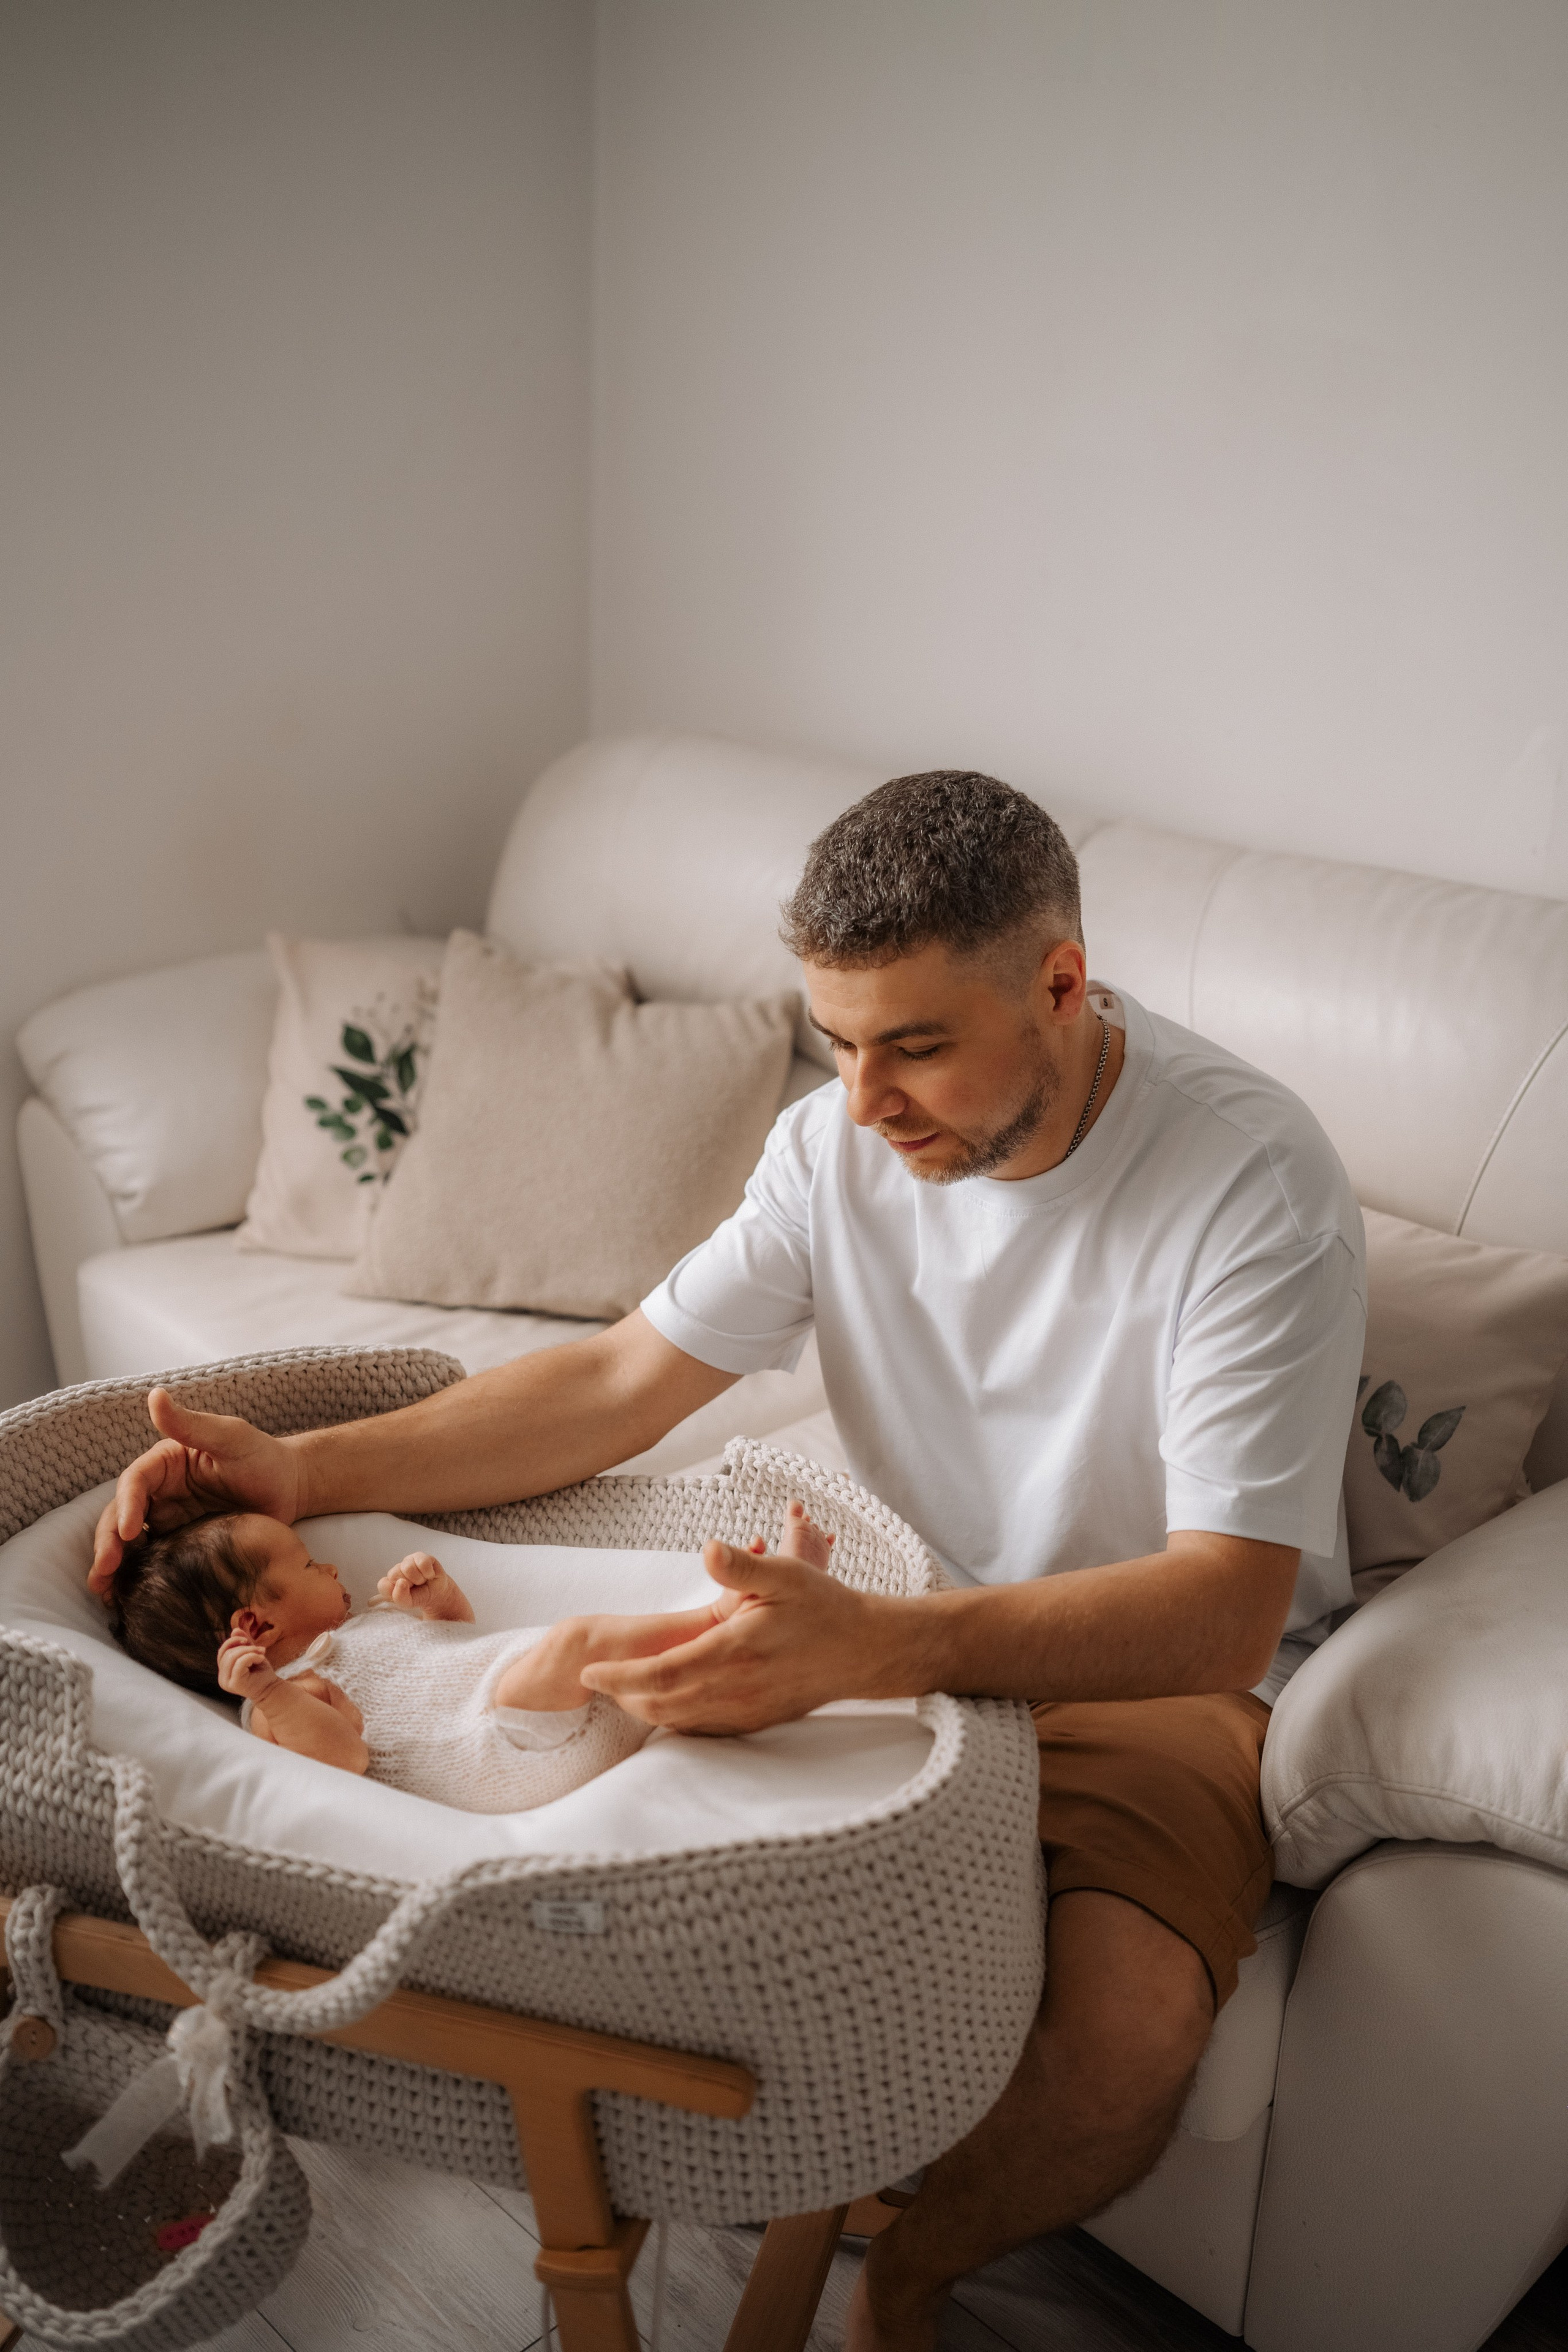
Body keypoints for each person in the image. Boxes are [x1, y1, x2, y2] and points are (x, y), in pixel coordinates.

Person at [90, 770, 1365, 2351]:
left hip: (1142, 1655)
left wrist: (880, 1650)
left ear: (1062, 985)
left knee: (1132, 2033)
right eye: (838, 1041)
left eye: (915, 1044)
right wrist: (303, 1470)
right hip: (890, 1597)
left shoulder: (1250, 1186)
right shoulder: (834, 1147)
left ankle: (913, 2273)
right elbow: (624, 1383)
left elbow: (1226, 1608)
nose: (868, 1098)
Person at [104, 1499, 838, 1811]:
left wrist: (438, 1602)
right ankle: (726, 1609)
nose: (332, 1570)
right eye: (307, 1565)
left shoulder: (364, 1628)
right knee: (578, 1642)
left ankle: (759, 1642)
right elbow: (343, 1760)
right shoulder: (282, 1702)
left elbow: (457, 1644)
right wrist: (266, 1695)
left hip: (551, 1711)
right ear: (255, 1623)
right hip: (497, 1750)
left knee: (649, 1683)